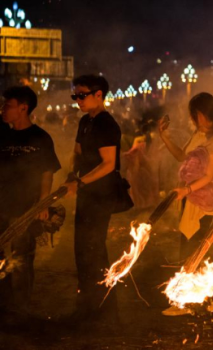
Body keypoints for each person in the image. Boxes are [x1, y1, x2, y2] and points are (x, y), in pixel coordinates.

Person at [61, 75, 131, 324]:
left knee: (94, 250)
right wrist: (72, 173)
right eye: (75, 96)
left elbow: (109, 165)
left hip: (101, 196)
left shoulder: (106, 124)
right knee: (82, 249)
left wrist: (79, 182)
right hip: (86, 195)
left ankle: (104, 310)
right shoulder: (85, 122)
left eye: (82, 95)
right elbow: (77, 152)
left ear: (98, 95)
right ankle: (86, 307)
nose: (77, 100)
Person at [158, 92, 213, 316]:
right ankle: (196, 298)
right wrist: (164, 136)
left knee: (195, 249)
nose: (191, 118)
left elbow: (209, 175)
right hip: (189, 199)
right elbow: (181, 156)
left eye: (193, 113)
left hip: (204, 202)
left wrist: (187, 190)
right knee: (189, 247)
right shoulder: (198, 134)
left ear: (200, 113)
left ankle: (199, 299)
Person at [0, 86, 61, 316]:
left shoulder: (41, 138)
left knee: (22, 258)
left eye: (8, 105)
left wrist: (43, 202)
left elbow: (48, 171)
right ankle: (3, 304)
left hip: (25, 208)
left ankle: (21, 309)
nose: (3, 109)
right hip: (0, 204)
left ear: (23, 108)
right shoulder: (2, 133)